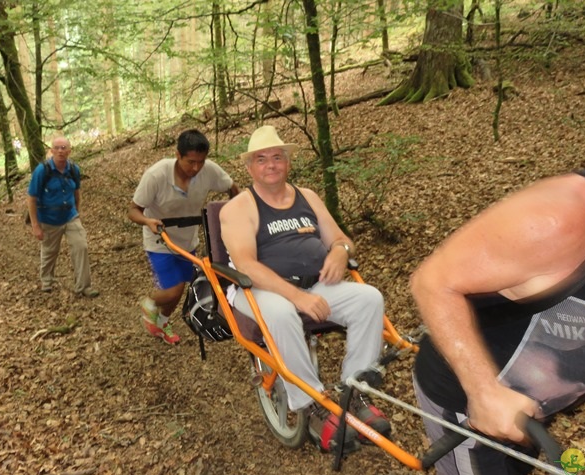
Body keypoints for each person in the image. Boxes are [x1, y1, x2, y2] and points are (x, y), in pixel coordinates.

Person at [411, 170, 585, 475]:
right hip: (469, 401)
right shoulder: (559, 218)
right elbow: (432, 282)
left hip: (533, 407)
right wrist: (484, 393)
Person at [220, 125, 391, 453]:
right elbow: (246, 266)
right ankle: (310, 405)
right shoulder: (239, 207)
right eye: (262, 159)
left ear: (288, 162)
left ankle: (354, 394)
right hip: (257, 292)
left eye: (277, 157)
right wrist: (297, 296)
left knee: (369, 298)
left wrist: (340, 252)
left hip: (315, 285)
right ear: (249, 167)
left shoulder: (307, 197)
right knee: (283, 312)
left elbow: (341, 240)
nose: (271, 164)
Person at [128, 129, 239, 345]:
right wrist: (148, 221)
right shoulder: (156, 175)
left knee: (180, 290)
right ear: (178, 155)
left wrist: (239, 211)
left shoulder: (209, 171)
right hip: (159, 240)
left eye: (201, 162)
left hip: (188, 240)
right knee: (173, 289)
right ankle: (149, 301)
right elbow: (133, 211)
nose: (196, 168)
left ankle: (162, 322)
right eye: (190, 162)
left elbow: (232, 189)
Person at [27, 137, 99, 298]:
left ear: (69, 151)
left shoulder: (74, 169)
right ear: (51, 151)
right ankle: (47, 281)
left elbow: (77, 192)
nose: (60, 150)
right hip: (49, 218)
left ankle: (84, 286)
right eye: (57, 148)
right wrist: (35, 225)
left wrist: (77, 212)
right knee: (50, 251)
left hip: (70, 216)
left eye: (64, 147)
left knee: (81, 246)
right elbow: (31, 198)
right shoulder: (42, 171)